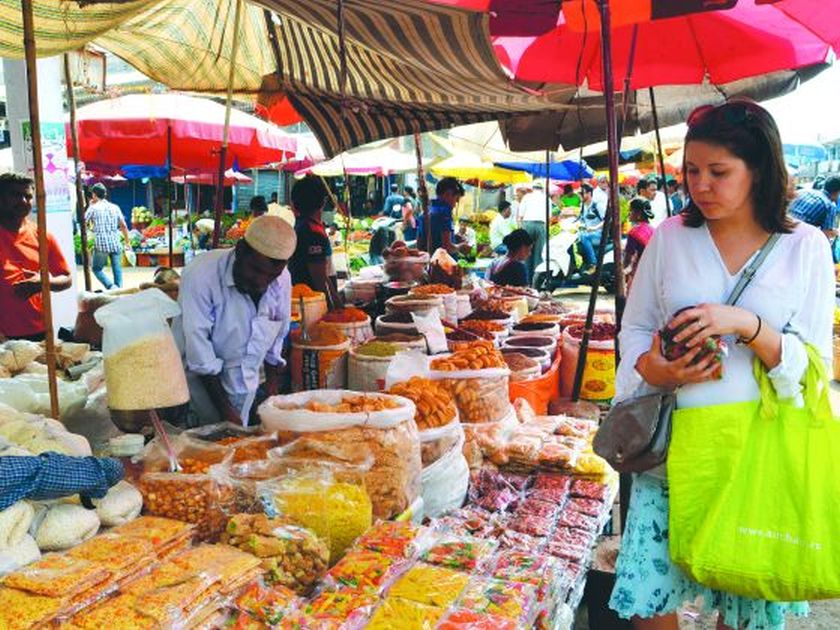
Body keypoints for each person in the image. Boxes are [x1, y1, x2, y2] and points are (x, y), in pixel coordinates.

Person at [609, 99, 832, 630]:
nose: (701, 185)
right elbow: (634, 329)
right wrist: (655, 370)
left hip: (755, 456)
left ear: (759, 170)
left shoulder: (804, 248)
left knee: (744, 604)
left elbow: (814, 370)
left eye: (718, 172)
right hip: (672, 451)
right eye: (692, 171)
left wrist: (747, 325)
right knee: (649, 609)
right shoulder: (670, 238)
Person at [175, 215, 295, 426]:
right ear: (240, 250)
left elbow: (277, 335)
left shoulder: (282, 278)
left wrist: (272, 394)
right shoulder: (201, 274)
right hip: (198, 383)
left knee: (239, 437)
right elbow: (200, 353)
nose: (261, 282)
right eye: (256, 270)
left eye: (271, 276)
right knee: (204, 435)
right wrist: (227, 413)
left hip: (245, 381)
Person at [0, 172, 72, 341]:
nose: (23, 201)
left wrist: (43, 283)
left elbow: (66, 278)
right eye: (15, 195)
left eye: (28, 196)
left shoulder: (42, 235)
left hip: (37, 330)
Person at [0, 453, 124, 511]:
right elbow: (91, 499)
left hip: (42, 466)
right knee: (18, 477)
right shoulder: (99, 483)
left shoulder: (84, 463)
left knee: (16, 469)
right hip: (43, 479)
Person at [288, 175, 341, 308]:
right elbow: (320, 278)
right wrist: (336, 307)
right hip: (312, 304)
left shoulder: (302, 226)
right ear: (323, 201)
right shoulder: (312, 232)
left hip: (305, 300)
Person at [86, 182, 130, 290]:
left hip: (101, 245)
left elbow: (83, 222)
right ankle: (119, 290)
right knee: (117, 269)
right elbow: (123, 226)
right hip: (115, 243)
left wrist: (89, 206)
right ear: (105, 194)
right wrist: (127, 242)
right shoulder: (115, 207)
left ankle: (111, 286)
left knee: (96, 269)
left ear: (94, 195)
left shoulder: (93, 208)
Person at [417, 177, 466, 255]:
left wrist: (453, 237)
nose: (455, 204)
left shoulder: (426, 210)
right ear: (447, 194)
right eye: (456, 199)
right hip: (441, 260)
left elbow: (420, 244)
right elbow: (447, 248)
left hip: (428, 258)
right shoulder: (444, 212)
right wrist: (462, 247)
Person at [518, 181, 549, 286]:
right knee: (539, 255)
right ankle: (536, 283)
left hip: (527, 225)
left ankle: (526, 282)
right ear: (542, 189)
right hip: (541, 225)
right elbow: (549, 216)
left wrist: (521, 228)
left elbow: (520, 215)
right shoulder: (546, 198)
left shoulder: (527, 197)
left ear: (533, 188)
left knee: (525, 253)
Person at [622, 197, 655, 292]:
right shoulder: (653, 230)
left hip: (640, 273)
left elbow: (628, 258)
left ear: (638, 214)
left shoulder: (634, 232)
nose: (629, 213)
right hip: (653, 273)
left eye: (631, 211)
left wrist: (623, 274)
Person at [576, 183, 605, 273]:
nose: (579, 195)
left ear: (589, 193)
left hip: (599, 235)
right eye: (579, 193)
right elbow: (580, 219)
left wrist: (595, 228)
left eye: (582, 193)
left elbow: (607, 220)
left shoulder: (597, 206)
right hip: (588, 233)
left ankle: (593, 264)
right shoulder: (582, 206)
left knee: (584, 237)